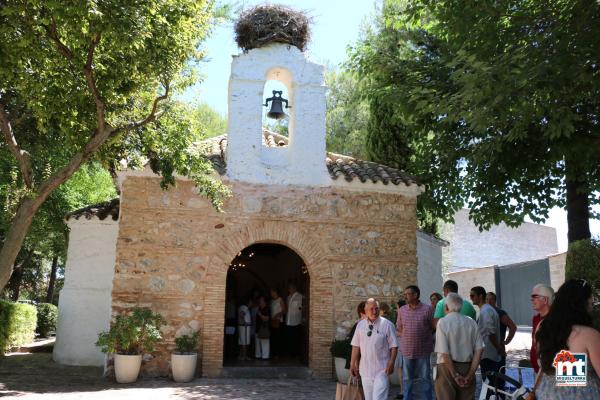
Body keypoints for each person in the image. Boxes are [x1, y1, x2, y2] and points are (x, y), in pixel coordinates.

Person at [533, 279, 600, 399]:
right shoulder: (589, 335)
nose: (592, 303)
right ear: (581, 303)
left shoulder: (543, 328)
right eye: (591, 299)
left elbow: (544, 367)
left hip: (546, 393)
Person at [434, 293, 484, 400]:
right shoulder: (471, 322)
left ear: (446, 307)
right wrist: (471, 373)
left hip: (446, 368)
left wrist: (455, 375)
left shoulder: (442, 322)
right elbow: (479, 349)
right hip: (467, 366)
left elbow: (444, 352)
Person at [350, 298, 398, 400]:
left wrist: (392, 362)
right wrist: (352, 364)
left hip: (382, 369)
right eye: (371, 309)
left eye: (376, 308)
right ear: (365, 310)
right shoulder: (360, 325)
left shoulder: (388, 325)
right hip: (365, 370)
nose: (374, 311)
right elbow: (355, 346)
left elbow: (394, 346)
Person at [397, 285, 434, 400]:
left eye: (407, 294)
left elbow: (433, 327)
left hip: (423, 350)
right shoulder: (402, 310)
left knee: (425, 378)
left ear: (415, 295)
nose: (405, 296)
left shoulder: (427, 309)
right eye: (405, 294)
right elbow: (399, 328)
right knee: (407, 378)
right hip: (407, 350)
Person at [470, 286, 503, 398]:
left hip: (489, 354)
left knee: (490, 385)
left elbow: (490, 332)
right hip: (487, 354)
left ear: (480, 296)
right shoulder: (486, 310)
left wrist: (498, 348)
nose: (471, 298)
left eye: (473, 295)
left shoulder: (486, 310)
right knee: (490, 384)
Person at [486, 291, 517, 370]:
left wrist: (507, 341)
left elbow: (513, 327)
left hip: (498, 350)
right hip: (487, 351)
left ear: (495, 301)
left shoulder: (500, 313)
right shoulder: (484, 312)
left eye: (491, 299)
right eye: (487, 299)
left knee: (499, 375)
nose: (489, 302)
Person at [530, 283, 554, 373]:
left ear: (545, 300)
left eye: (534, 296)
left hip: (550, 373)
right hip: (538, 371)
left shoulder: (555, 320)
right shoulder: (536, 319)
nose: (531, 299)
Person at [345, 301, 367, 369]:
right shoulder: (359, 326)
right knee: (355, 377)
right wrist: (355, 364)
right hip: (357, 360)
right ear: (362, 313)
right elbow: (355, 346)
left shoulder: (363, 325)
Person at [286, 283, 304, 358]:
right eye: (288, 289)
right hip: (289, 321)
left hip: (296, 321)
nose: (288, 290)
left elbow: (302, 308)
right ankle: (291, 353)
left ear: (293, 288)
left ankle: (296, 354)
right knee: (290, 338)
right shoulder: (288, 297)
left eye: (289, 288)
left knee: (296, 338)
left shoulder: (300, 296)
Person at [269, 288, 285, 358]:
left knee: (278, 338)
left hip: (278, 321)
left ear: (275, 292)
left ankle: (278, 354)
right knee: (273, 338)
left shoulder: (280, 299)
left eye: (272, 292)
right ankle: (274, 353)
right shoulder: (272, 301)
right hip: (273, 321)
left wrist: (277, 315)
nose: (271, 294)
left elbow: (284, 310)